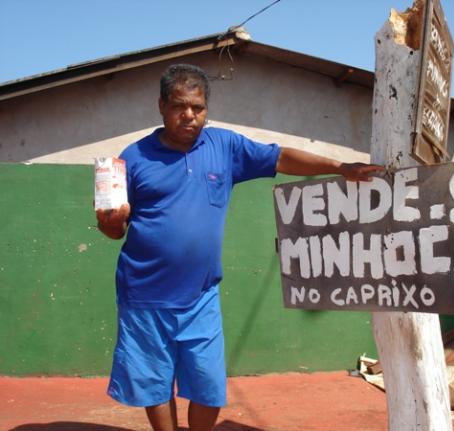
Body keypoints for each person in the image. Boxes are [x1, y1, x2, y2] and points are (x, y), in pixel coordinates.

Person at [96, 63, 384, 431]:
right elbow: (114, 230)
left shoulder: (225, 147)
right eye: (179, 106)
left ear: (206, 109)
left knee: (208, 386)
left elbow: (279, 157)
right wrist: (109, 224)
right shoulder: (133, 158)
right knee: (155, 384)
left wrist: (339, 166)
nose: (189, 116)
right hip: (143, 294)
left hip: (201, 297)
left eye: (197, 108)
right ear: (162, 106)